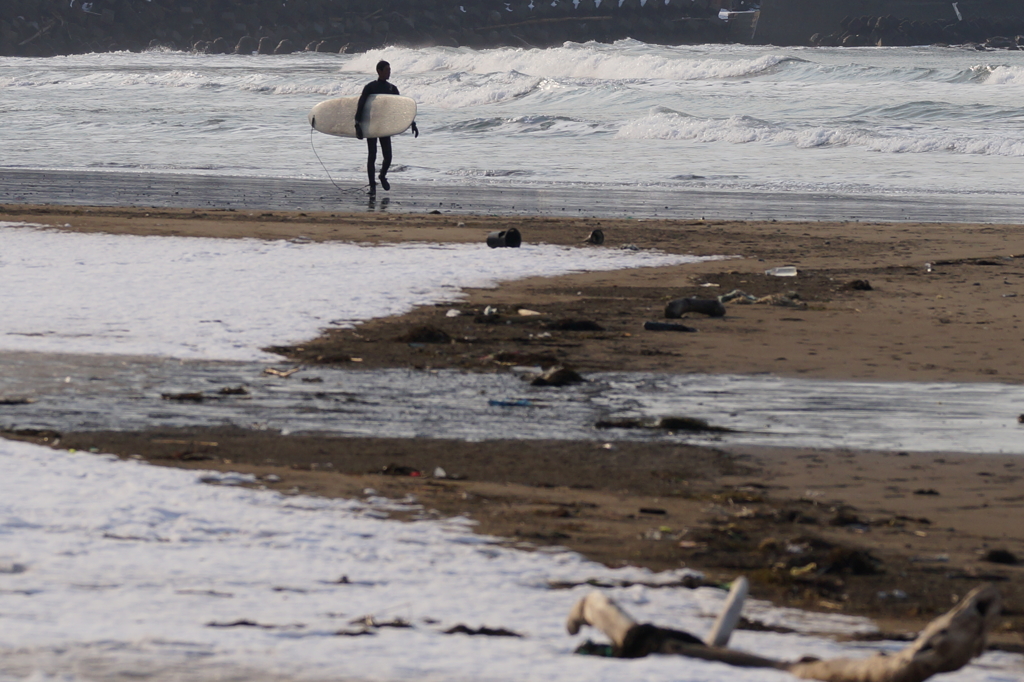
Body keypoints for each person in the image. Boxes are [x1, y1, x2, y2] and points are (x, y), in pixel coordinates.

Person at [355, 60, 418, 195]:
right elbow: (361, 105)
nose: (389, 72)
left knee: (388, 157)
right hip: (371, 124)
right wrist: (357, 124)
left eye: (390, 70)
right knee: (372, 156)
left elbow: (402, 108)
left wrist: (412, 122)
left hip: (384, 126)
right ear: (379, 71)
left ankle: (382, 176)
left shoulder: (392, 89)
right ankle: (372, 186)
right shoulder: (370, 87)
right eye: (387, 70)